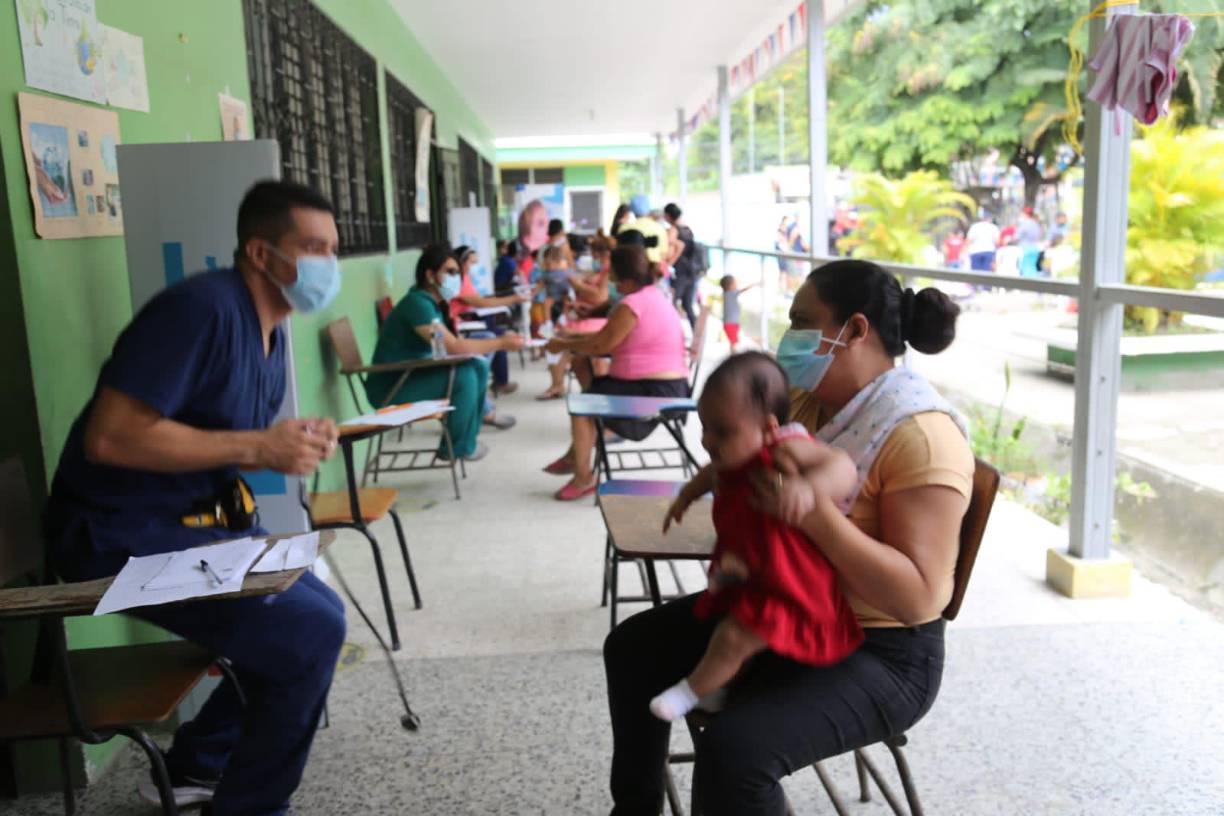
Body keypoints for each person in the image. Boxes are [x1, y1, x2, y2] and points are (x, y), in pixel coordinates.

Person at [604, 259, 974, 815]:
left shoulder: (920, 436)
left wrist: (814, 515)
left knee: (735, 753)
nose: (791, 336)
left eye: (803, 321)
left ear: (853, 330)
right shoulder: (806, 404)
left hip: (882, 653)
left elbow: (919, 598)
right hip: (792, 605)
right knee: (633, 649)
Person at [44, 180, 347, 814]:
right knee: (308, 630)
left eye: (333, 250)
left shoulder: (274, 332)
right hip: (115, 536)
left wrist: (282, 443)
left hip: (188, 528)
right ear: (261, 253)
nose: (327, 265)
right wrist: (261, 448)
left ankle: (196, 767)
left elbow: (223, 438)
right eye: (312, 247)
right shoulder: (201, 310)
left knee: (317, 605)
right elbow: (112, 437)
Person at [649, 353, 863, 723]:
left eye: (722, 430)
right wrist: (686, 495)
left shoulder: (784, 448)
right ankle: (718, 688)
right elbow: (709, 472)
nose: (709, 440)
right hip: (755, 568)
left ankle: (690, 692)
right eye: (705, 427)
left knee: (734, 638)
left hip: (792, 584)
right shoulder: (730, 456)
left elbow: (842, 466)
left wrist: (809, 488)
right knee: (727, 630)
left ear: (767, 428)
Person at [541, 243, 687, 501]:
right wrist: (573, 337)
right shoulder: (651, 296)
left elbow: (601, 344)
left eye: (614, 276)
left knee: (582, 406)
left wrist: (563, 343)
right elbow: (608, 337)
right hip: (660, 386)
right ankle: (577, 453)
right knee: (582, 366)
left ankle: (584, 475)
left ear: (626, 278)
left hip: (654, 393)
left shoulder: (632, 304)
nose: (611, 281)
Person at [366, 243, 525, 461]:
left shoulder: (431, 304)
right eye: (450, 272)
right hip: (392, 386)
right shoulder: (417, 304)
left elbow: (447, 346)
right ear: (430, 275)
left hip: (411, 375)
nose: (456, 278)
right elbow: (454, 347)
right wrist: (500, 343)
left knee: (476, 366)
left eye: (458, 273)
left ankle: (467, 440)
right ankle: (455, 447)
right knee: (465, 377)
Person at [449, 245, 528, 397]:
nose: (473, 267)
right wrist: (512, 299)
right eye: (471, 263)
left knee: (496, 335)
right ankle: (497, 382)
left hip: (465, 320)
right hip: (463, 323)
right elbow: (479, 302)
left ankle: (495, 382)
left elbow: (478, 300)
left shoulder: (464, 278)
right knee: (497, 337)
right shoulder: (459, 279)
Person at [664, 203, 699, 328]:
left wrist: (668, 264)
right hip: (691, 271)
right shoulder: (687, 229)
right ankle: (696, 335)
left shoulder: (673, 230)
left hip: (678, 272)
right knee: (687, 304)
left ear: (667, 216)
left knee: (671, 302)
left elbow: (670, 250)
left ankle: (673, 332)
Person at [719, 274, 758, 353]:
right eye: (735, 283)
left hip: (730, 323)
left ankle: (734, 355)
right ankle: (734, 356)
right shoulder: (731, 293)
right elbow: (744, 289)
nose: (736, 285)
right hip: (731, 324)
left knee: (733, 342)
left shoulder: (726, 294)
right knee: (733, 343)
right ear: (730, 286)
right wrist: (755, 284)